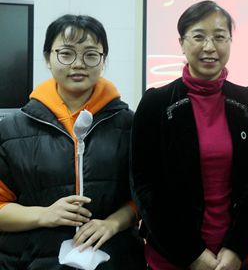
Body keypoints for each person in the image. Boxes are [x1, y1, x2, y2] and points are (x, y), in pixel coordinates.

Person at [130, 0, 248, 270]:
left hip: (233, 258)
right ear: (181, 43)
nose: (209, 47)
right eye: (198, 36)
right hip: (172, 256)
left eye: (219, 37)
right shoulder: (156, 103)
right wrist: (191, 254)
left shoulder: (246, 101)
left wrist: (236, 248)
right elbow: (145, 186)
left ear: (230, 41)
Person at [0, 14, 145, 269]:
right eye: (66, 54)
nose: (78, 64)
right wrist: (44, 215)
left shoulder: (130, 125)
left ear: (103, 60)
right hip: (32, 261)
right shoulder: (12, 129)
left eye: (91, 55)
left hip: (114, 260)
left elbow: (143, 197)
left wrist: (113, 223)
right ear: (48, 58)